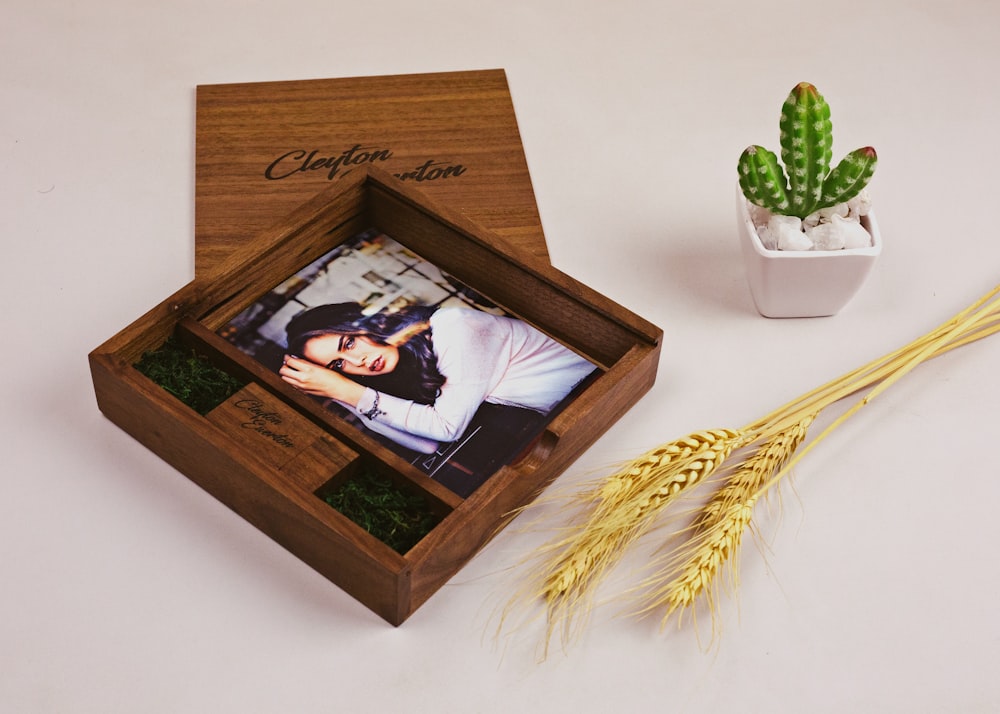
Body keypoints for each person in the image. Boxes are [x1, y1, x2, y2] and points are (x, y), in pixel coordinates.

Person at [278, 302, 597, 453]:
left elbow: (446, 429)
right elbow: (427, 445)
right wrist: (339, 393)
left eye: (348, 343)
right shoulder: (406, 369)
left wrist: (349, 391)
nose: (356, 360)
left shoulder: (453, 327)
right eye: (337, 365)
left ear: (364, 325)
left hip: (599, 389)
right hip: (582, 417)